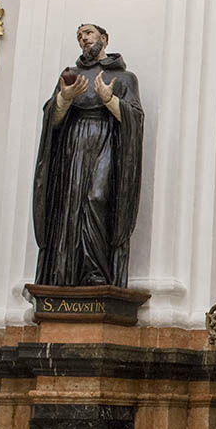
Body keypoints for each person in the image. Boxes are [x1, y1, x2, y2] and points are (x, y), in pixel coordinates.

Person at [32, 23, 143, 287]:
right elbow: (53, 119)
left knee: (97, 199)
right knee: (70, 204)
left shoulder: (125, 78)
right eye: (79, 36)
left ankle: (97, 273)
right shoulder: (70, 75)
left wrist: (109, 99)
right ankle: (65, 273)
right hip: (73, 147)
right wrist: (65, 98)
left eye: (88, 33)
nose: (83, 39)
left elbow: (135, 119)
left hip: (105, 143)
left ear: (104, 38)